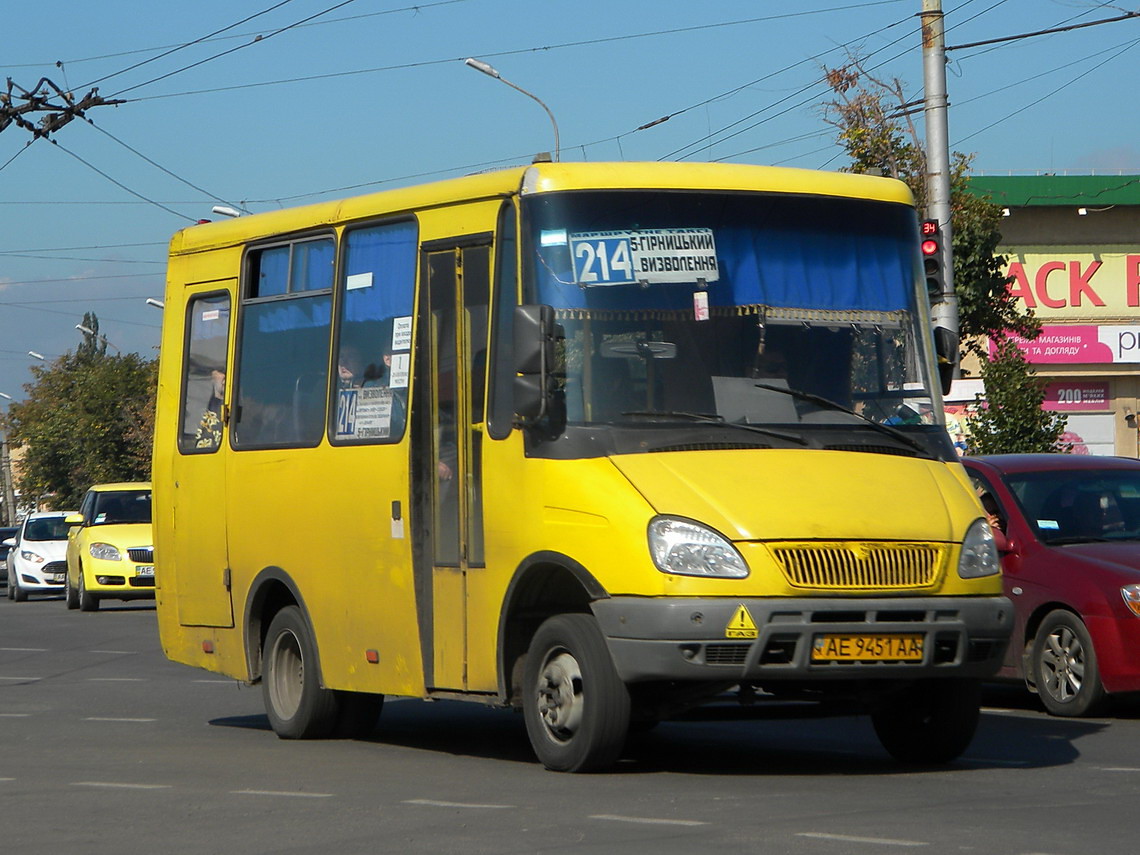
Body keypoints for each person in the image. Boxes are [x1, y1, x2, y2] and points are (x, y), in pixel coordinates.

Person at [194, 369, 225, 450]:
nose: (225, 376)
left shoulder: (238, 408)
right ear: (212, 376)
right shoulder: (198, 409)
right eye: (221, 371)